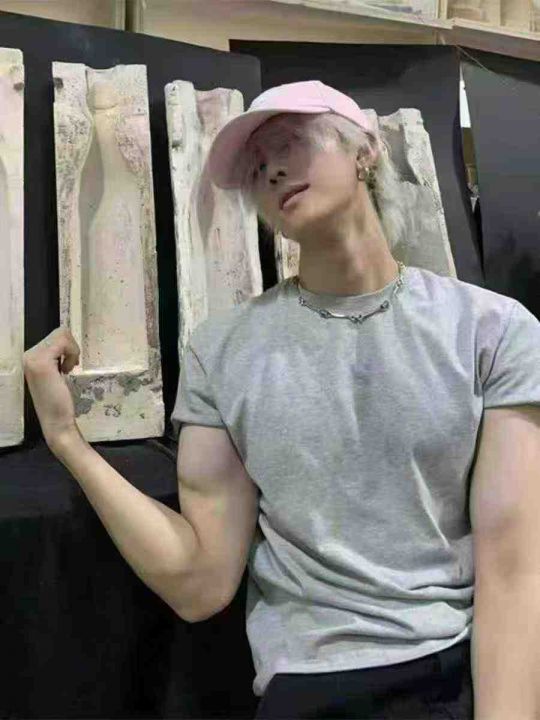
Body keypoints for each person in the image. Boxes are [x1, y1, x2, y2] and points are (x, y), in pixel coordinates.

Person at [23, 80, 540, 720]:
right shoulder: (223, 352)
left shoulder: (492, 331)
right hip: (310, 684)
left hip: (451, 668)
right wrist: (67, 441)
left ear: (365, 151)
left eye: (291, 142)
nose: (270, 170)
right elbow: (200, 582)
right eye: (256, 167)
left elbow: (514, 567)